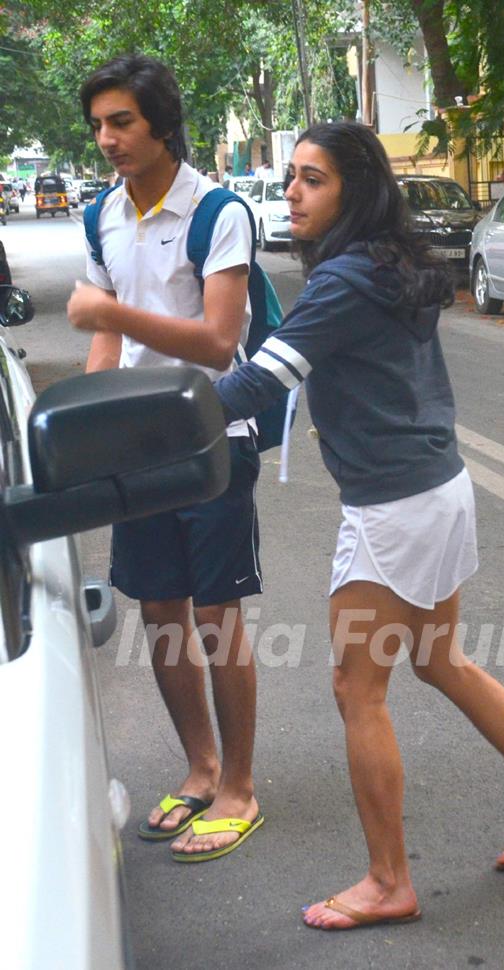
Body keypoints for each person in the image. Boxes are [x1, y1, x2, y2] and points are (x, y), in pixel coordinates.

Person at [211, 122, 504, 927]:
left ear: (353, 188)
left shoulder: (348, 279)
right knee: (439, 660)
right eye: (290, 177)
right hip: (433, 487)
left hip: (395, 506)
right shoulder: (388, 264)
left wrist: (155, 418)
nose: (291, 191)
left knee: (358, 688)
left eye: (311, 179)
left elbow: (262, 382)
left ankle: (389, 882)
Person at [67, 54, 265, 863]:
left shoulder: (219, 211)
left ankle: (240, 788)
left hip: (212, 433)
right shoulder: (99, 218)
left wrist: (111, 311)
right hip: (138, 444)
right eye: (99, 126)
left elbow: (219, 340)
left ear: (160, 124)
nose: (108, 139)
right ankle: (200, 767)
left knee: (217, 620)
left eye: (122, 122)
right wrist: (84, 424)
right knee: (160, 614)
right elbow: (105, 341)